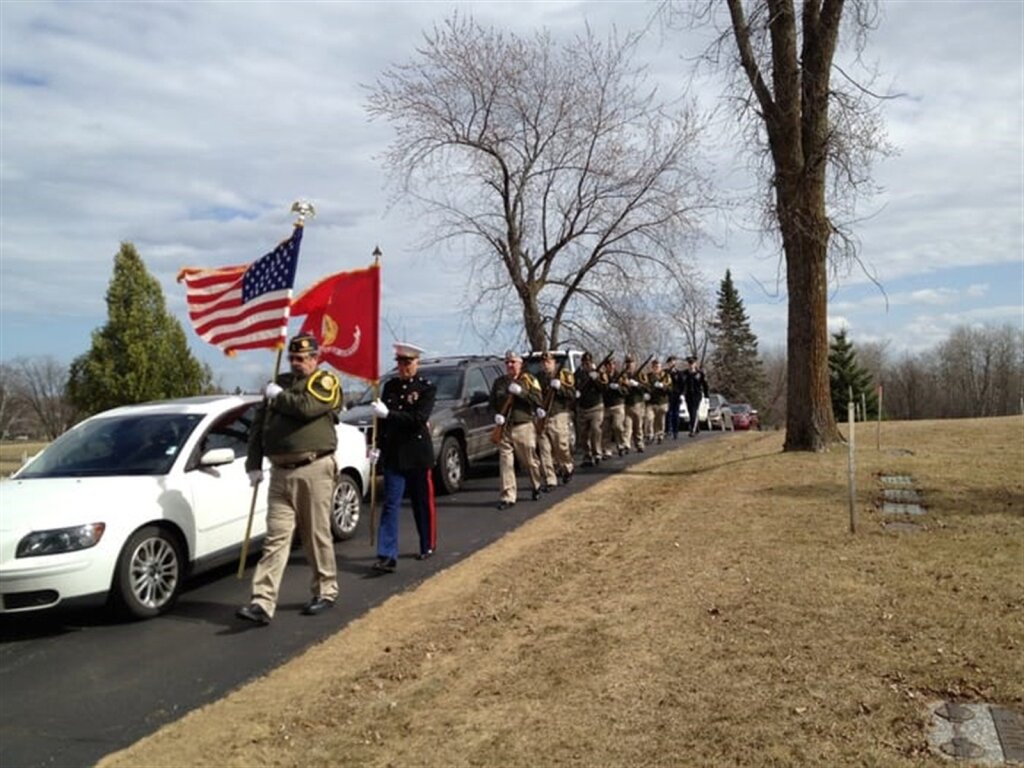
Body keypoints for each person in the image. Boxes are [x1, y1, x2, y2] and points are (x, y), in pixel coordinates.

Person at [237, 333, 342, 625]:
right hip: (279, 473)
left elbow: (307, 408)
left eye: (302, 358)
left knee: (315, 534)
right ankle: (262, 601)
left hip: (313, 468)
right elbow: (259, 426)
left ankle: (325, 589)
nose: (297, 363)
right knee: (275, 538)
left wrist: (278, 397)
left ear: (315, 358)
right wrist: (253, 463)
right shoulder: (279, 383)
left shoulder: (324, 381)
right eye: (293, 358)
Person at [369, 342, 437, 573]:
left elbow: (418, 418)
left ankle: (427, 543)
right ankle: (387, 554)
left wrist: (389, 414)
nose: (403, 367)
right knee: (390, 504)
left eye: (408, 362)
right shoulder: (389, 387)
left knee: (421, 503)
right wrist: (376, 445)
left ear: (417, 363)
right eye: (400, 362)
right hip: (394, 454)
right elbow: (381, 422)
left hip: (417, 453)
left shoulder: (426, 388)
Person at [490, 350, 543, 510]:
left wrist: (521, 392)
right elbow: (493, 401)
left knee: (528, 460)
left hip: (523, 424)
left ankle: (536, 484)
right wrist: (497, 415)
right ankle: (508, 496)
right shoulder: (499, 382)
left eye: (513, 362)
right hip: (505, 426)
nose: (509, 365)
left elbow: (537, 400)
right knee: (505, 462)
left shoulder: (529, 380)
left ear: (520, 364)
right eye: (507, 362)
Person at [535, 351, 576, 489]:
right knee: (544, 450)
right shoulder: (538, 378)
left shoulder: (563, 375)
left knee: (560, 446)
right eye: (543, 363)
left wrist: (561, 388)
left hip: (558, 414)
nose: (546, 365)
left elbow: (572, 394)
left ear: (554, 363)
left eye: (548, 362)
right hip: (542, 416)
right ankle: (550, 479)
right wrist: (537, 409)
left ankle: (567, 466)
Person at [575, 351, 606, 467]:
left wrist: (596, 379)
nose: (586, 365)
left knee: (595, 429)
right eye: (584, 363)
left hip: (596, 407)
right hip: (582, 408)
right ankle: (587, 456)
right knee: (583, 435)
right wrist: (576, 393)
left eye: (588, 362)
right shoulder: (577, 374)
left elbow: (604, 388)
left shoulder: (598, 373)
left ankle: (597, 453)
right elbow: (573, 386)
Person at [602, 356, 627, 457]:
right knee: (606, 429)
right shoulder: (603, 376)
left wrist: (618, 388)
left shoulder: (620, 376)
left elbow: (626, 391)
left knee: (617, 426)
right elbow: (600, 388)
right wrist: (607, 387)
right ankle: (607, 449)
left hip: (618, 405)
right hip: (606, 405)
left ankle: (621, 444)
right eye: (608, 365)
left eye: (613, 364)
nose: (611, 367)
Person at [680, 355, 710, 438]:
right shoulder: (684, 374)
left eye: (692, 363)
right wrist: (681, 394)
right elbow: (682, 385)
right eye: (689, 363)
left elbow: (705, 385)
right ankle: (696, 427)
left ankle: (692, 430)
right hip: (688, 395)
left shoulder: (700, 374)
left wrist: (707, 396)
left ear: (695, 364)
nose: (691, 365)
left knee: (694, 410)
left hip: (697, 394)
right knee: (690, 411)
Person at [621, 356, 646, 453]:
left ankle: (639, 444)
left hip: (638, 403)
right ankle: (626, 444)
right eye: (627, 363)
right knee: (627, 426)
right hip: (627, 404)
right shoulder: (623, 375)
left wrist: (637, 385)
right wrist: (626, 384)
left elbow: (646, 388)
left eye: (631, 363)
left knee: (638, 426)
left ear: (634, 364)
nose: (629, 365)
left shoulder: (640, 375)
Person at [646, 358, 671, 444]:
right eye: (654, 367)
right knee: (649, 419)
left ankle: (660, 434)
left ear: (660, 367)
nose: (656, 368)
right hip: (651, 402)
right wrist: (646, 394)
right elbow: (645, 386)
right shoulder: (648, 376)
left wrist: (662, 386)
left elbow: (670, 388)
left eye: (657, 366)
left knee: (660, 420)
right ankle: (650, 435)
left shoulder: (665, 376)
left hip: (662, 402)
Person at [664, 356, 682, 439]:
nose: (671, 363)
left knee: (676, 414)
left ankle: (676, 431)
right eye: (670, 362)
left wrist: (681, 394)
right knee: (668, 414)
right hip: (668, 395)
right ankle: (668, 430)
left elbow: (682, 385)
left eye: (673, 362)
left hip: (676, 395)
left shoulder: (679, 373)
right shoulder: (665, 373)